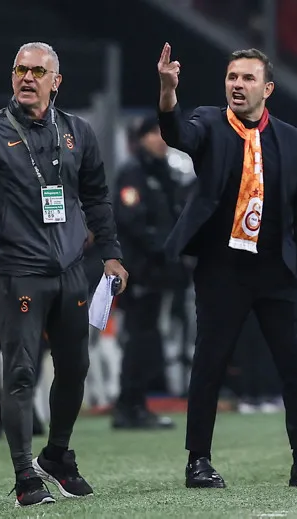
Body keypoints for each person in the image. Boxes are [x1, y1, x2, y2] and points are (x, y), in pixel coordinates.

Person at [0, 41, 128, 507]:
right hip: (18, 272)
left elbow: (96, 196)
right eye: (20, 70)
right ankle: (24, 476)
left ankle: (57, 455)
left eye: (37, 71)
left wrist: (111, 254)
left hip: (70, 269)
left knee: (76, 367)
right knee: (21, 371)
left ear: (56, 81)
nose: (27, 78)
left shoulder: (77, 131)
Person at [156, 43, 297, 489]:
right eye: (232, 77)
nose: (238, 84)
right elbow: (177, 134)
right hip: (223, 270)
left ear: (267, 89)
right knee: (209, 364)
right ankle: (198, 460)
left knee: (296, 368)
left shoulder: (293, 139)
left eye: (248, 78)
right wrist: (168, 91)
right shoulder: (209, 123)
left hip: (278, 272)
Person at [111, 116, 183, 430]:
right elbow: (131, 219)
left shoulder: (165, 172)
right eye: (153, 134)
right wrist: (164, 248)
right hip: (138, 269)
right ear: (140, 139)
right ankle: (128, 406)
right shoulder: (133, 171)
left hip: (158, 271)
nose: (160, 139)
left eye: (163, 133)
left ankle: (137, 404)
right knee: (139, 338)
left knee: (148, 338)